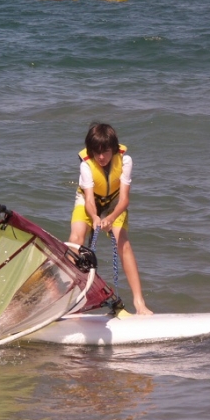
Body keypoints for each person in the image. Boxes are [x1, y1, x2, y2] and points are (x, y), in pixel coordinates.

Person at [68, 123, 153, 315]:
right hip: (88, 202)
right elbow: (89, 200)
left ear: (113, 149)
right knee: (75, 241)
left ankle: (139, 303)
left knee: (123, 243)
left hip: (115, 203)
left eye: (105, 151)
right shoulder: (86, 166)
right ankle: (71, 303)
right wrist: (96, 218)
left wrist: (111, 217)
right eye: (96, 152)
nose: (101, 157)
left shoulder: (126, 161)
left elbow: (124, 199)